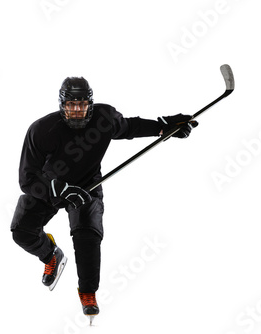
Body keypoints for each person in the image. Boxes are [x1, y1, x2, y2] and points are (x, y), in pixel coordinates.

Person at [10, 77, 196, 323]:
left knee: (87, 238)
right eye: (71, 105)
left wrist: (162, 128)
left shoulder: (104, 119)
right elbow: (27, 178)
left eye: (82, 105)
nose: (77, 111)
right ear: (61, 105)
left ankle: (87, 292)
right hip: (49, 187)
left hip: (87, 186)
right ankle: (51, 256)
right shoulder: (41, 130)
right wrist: (58, 190)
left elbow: (129, 127)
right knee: (21, 232)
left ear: (91, 104)